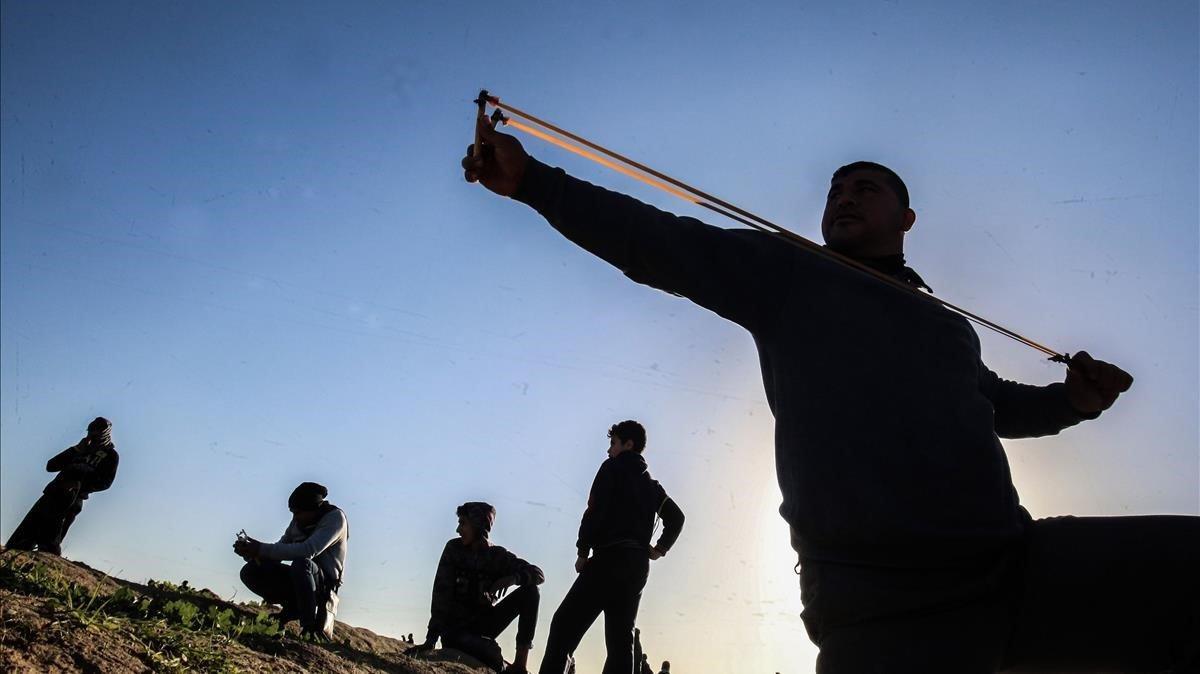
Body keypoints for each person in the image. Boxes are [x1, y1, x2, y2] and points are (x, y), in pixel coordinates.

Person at [461, 118, 1200, 672]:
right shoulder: (787, 275)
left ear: (906, 220)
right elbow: (658, 241)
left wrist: (1073, 401)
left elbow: (999, 407)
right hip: (884, 606)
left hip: (1018, 564)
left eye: (865, 188)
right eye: (836, 189)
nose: (845, 197)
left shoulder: (947, 328)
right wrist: (534, 182)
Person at [538, 421, 685, 674]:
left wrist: (582, 552)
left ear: (629, 445)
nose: (609, 450)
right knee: (620, 643)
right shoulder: (652, 487)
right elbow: (677, 518)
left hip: (608, 559)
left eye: (613, 443)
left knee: (564, 626)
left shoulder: (612, 468)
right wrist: (658, 549)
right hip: (637, 566)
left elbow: (594, 511)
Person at [411, 502, 544, 673]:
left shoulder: (497, 556)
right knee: (493, 655)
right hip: (456, 631)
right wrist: (431, 640)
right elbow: (440, 596)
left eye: (463, 523)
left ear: (478, 526)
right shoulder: (453, 549)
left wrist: (513, 579)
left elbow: (538, 574)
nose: (458, 530)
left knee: (531, 592)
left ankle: (520, 666)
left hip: (484, 624)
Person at [234, 482, 348, 639]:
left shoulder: (335, 519)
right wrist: (253, 554)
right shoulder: (299, 521)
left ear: (313, 509)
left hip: (322, 585)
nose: (295, 518)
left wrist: (261, 548)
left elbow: (308, 550)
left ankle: (309, 627)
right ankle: (292, 608)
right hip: (301, 578)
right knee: (251, 571)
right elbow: (281, 548)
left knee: (302, 563)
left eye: (298, 513)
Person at [5, 417, 119, 555]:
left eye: (97, 431)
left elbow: (105, 482)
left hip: (72, 500)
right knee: (23, 535)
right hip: (52, 494)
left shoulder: (110, 456)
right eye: (91, 430)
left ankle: (45, 566)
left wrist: (79, 485)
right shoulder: (80, 449)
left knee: (50, 541)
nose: (92, 434)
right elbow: (51, 466)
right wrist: (76, 450)